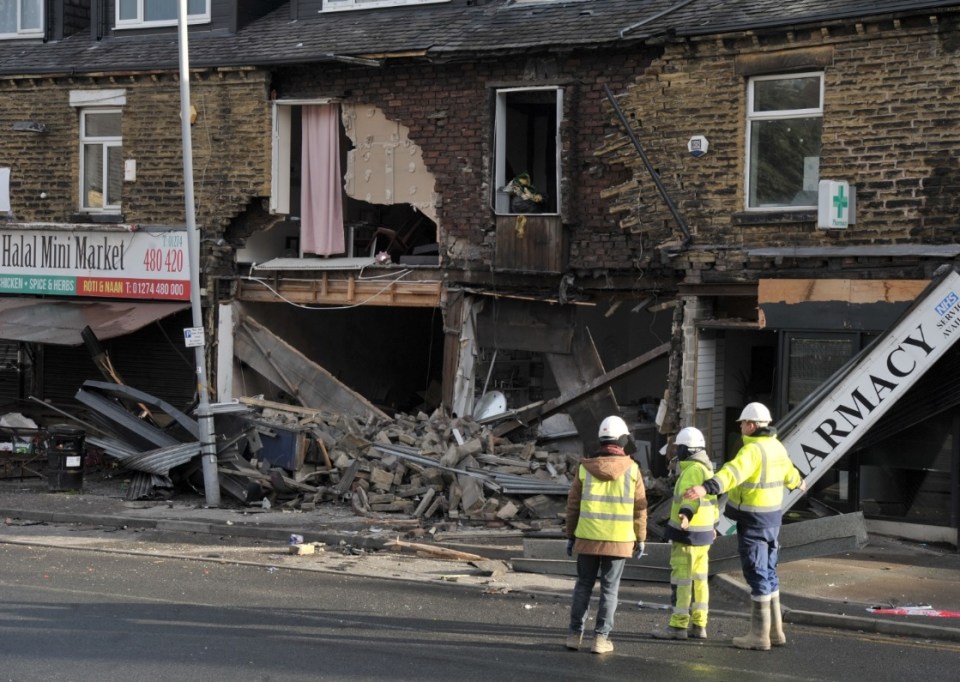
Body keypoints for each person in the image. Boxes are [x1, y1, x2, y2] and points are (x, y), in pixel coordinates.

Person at [683, 402, 806, 650]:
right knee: (769, 572)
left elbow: (731, 474)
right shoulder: (777, 447)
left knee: (756, 573)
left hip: (753, 522)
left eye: (742, 423)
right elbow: (790, 474)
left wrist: (705, 488)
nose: (740, 427)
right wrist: (798, 483)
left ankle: (759, 637)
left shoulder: (752, 451)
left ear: (751, 425)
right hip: (772, 520)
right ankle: (775, 632)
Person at [564, 415, 648, 654]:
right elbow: (640, 508)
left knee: (583, 586)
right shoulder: (632, 471)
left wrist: (571, 536)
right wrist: (640, 538)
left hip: (587, 538)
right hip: (619, 542)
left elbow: (573, 506)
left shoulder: (584, 468)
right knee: (610, 589)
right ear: (622, 439)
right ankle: (601, 639)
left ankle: (574, 635)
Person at [652, 426, 719, 641]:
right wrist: (713, 525)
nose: (676, 452)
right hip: (703, 535)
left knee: (682, 579)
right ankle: (699, 625)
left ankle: (678, 626)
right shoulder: (707, 469)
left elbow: (690, 497)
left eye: (679, 447)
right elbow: (713, 502)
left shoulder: (692, 470)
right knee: (700, 580)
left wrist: (685, 515)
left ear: (687, 449)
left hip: (687, 534)